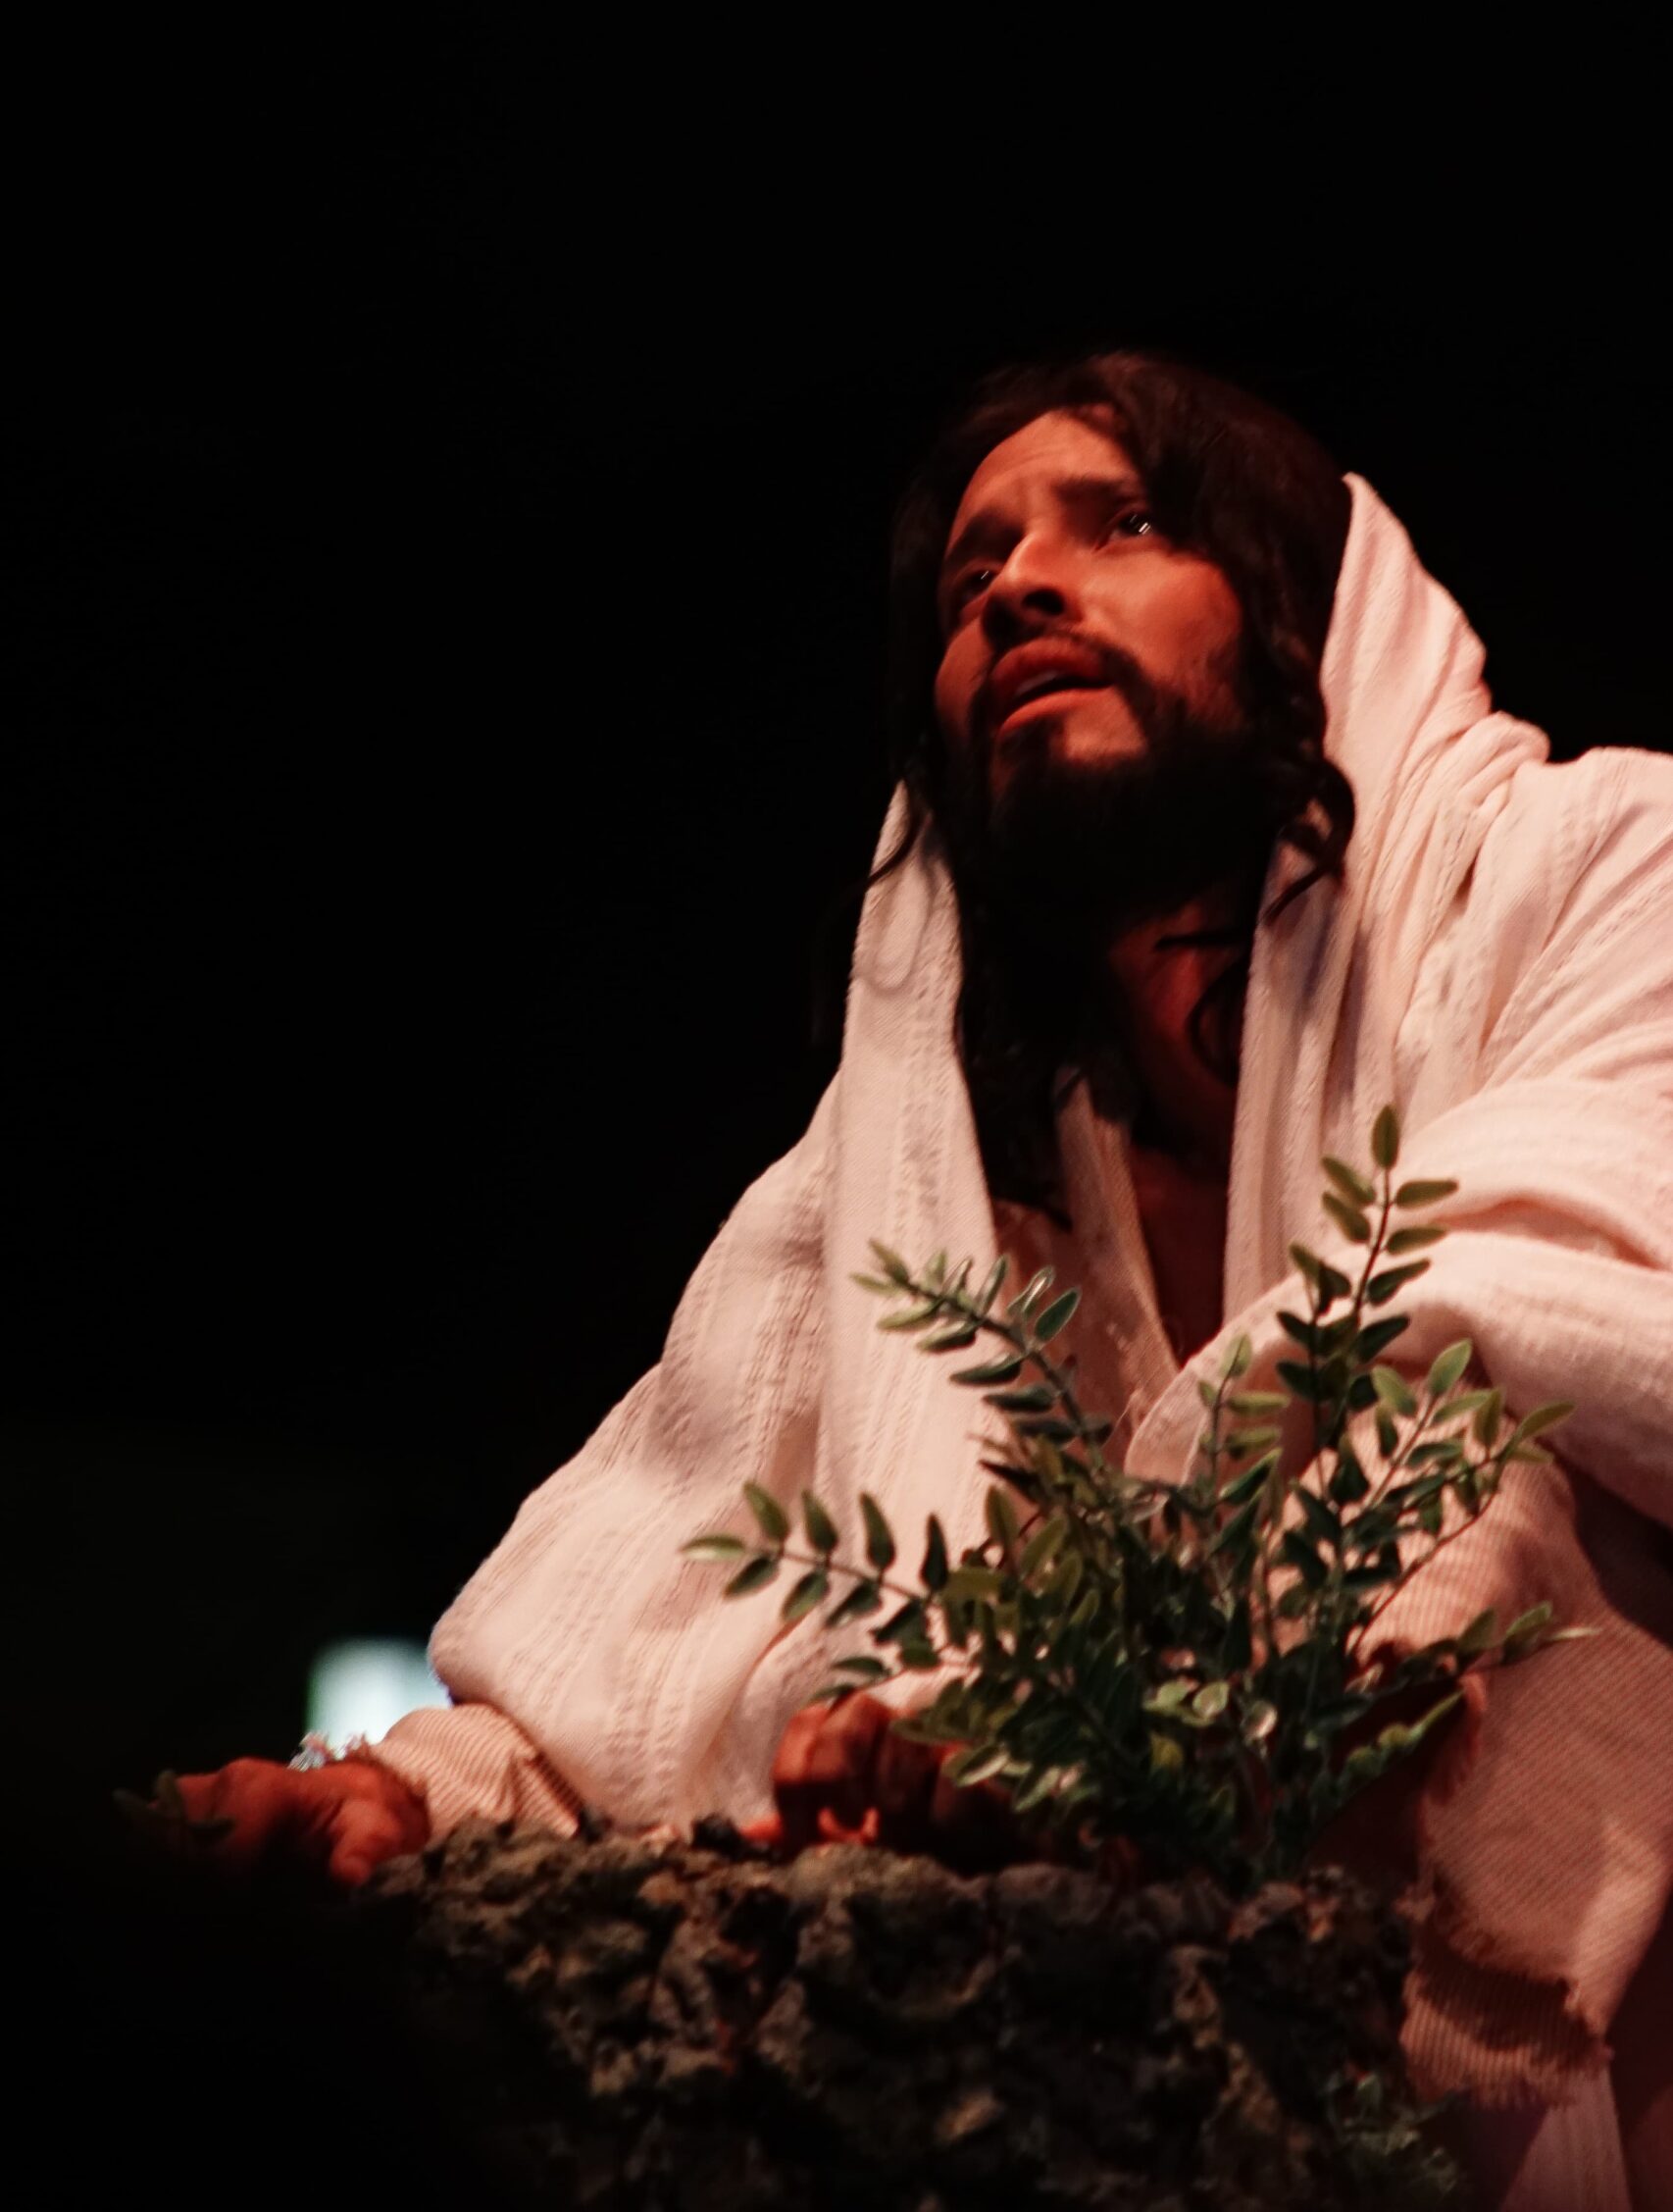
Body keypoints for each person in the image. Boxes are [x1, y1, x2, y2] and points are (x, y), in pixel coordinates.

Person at [173, 354, 1673, 2208]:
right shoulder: (933, 1165)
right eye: (973, 578)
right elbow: (649, 1651)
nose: (1020, 587)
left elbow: (1546, 1367)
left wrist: (1085, 1737)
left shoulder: (1605, 873)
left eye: (1123, 523)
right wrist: (407, 1804)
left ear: (1310, 616)